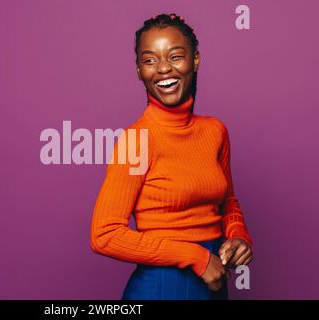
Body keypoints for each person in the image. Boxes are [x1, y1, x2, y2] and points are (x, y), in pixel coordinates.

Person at [90, 13, 253, 300]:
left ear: (196, 60)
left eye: (175, 56)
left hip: (215, 280)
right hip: (163, 286)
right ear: (139, 70)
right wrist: (196, 257)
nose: (163, 68)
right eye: (149, 60)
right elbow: (104, 235)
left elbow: (227, 202)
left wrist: (239, 236)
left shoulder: (215, 131)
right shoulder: (137, 140)